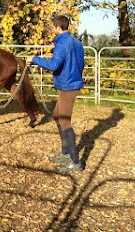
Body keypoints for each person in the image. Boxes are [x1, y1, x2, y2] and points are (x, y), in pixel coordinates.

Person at [27, 15, 85, 173]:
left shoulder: (63, 44)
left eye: (53, 27)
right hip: (69, 83)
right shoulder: (76, 42)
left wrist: (35, 59)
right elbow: (79, 63)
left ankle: (75, 161)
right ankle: (66, 153)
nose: (52, 29)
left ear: (58, 27)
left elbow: (53, 65)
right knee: (57, 116)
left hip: (68, 86)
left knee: (65, 121)